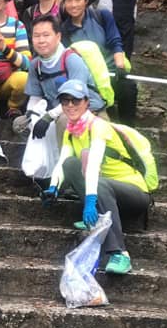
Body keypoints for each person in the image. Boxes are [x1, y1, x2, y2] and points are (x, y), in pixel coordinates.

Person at [46, 80, 152, 275]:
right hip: (106, 193)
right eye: (65, 101)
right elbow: (63, 162)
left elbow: (94, 163)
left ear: (87, 102)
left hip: (134, 193)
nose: (70, 105)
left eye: (75, 100)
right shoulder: (71, 130)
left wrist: (90, 201)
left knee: (99, 183)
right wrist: (54, 187)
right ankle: (97, 217)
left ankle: (120, 253)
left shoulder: (98, 126)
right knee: (71, 165)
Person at [13, 14, 105, 139]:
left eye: (46, 35)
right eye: (36, 36)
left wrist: (48, 117)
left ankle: (63, 158)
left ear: (58, 36)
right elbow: (35, 96)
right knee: (20, 124)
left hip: (85, 109)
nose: (41, 40)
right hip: (56, 109)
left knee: (63, 121)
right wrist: (31, 114)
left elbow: (76, 99)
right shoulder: (36, 65)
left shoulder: (71, 59)